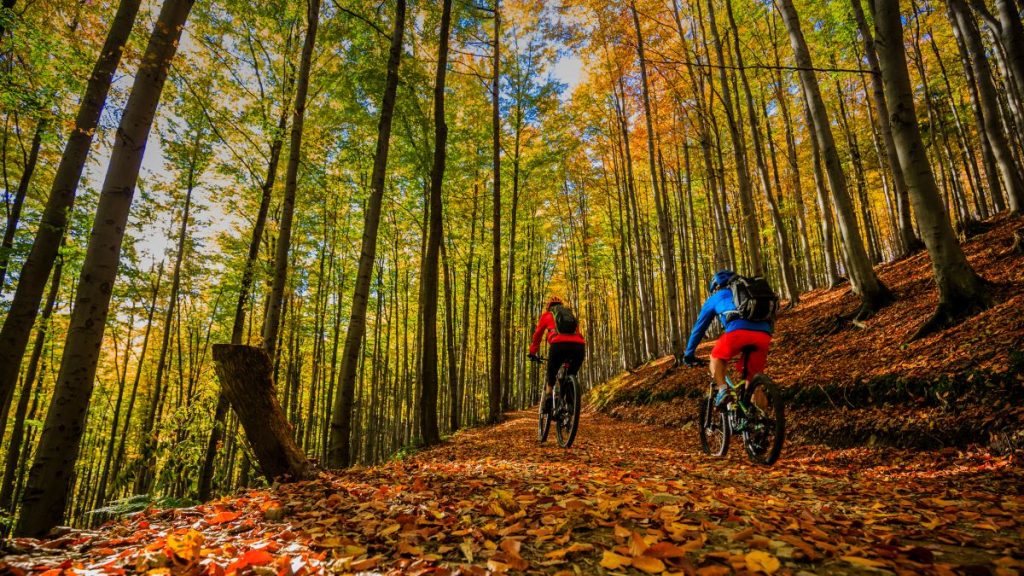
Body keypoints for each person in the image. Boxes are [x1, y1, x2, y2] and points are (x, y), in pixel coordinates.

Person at [683, 270, 773, 407]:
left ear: (716, 287)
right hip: (763, 335)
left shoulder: (716, 297)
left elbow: (699, 328)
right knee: (753, 383)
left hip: (737, 333)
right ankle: (761, 422)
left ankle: (723, 391)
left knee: (716, 357)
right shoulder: (748, 293)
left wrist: (689, 354)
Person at [528, 296, 586, 414]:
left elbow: (537, 334)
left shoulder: (547, 315)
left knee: (552, 371)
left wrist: (532, 352)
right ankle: (570, 401)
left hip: (558, 345)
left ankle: (549, 397)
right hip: (579, 347)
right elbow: (577, 333)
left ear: (549, 307)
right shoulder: (570, 315)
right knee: (571, 373)